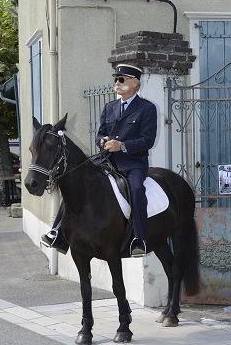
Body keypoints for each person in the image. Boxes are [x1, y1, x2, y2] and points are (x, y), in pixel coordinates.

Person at [41, 63, 157, 257]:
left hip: (132, 163)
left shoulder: (147, 108)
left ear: (134, 83)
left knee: (137, 189)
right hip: (106, 160)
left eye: (121, 80)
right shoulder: (109, 107)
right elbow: (100, 134)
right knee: (76, 181)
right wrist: (102, 141)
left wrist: (122, 146)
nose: (117, 83)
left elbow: (148, 140)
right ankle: (57, 232)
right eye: (116, 80)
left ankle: (139, 238)